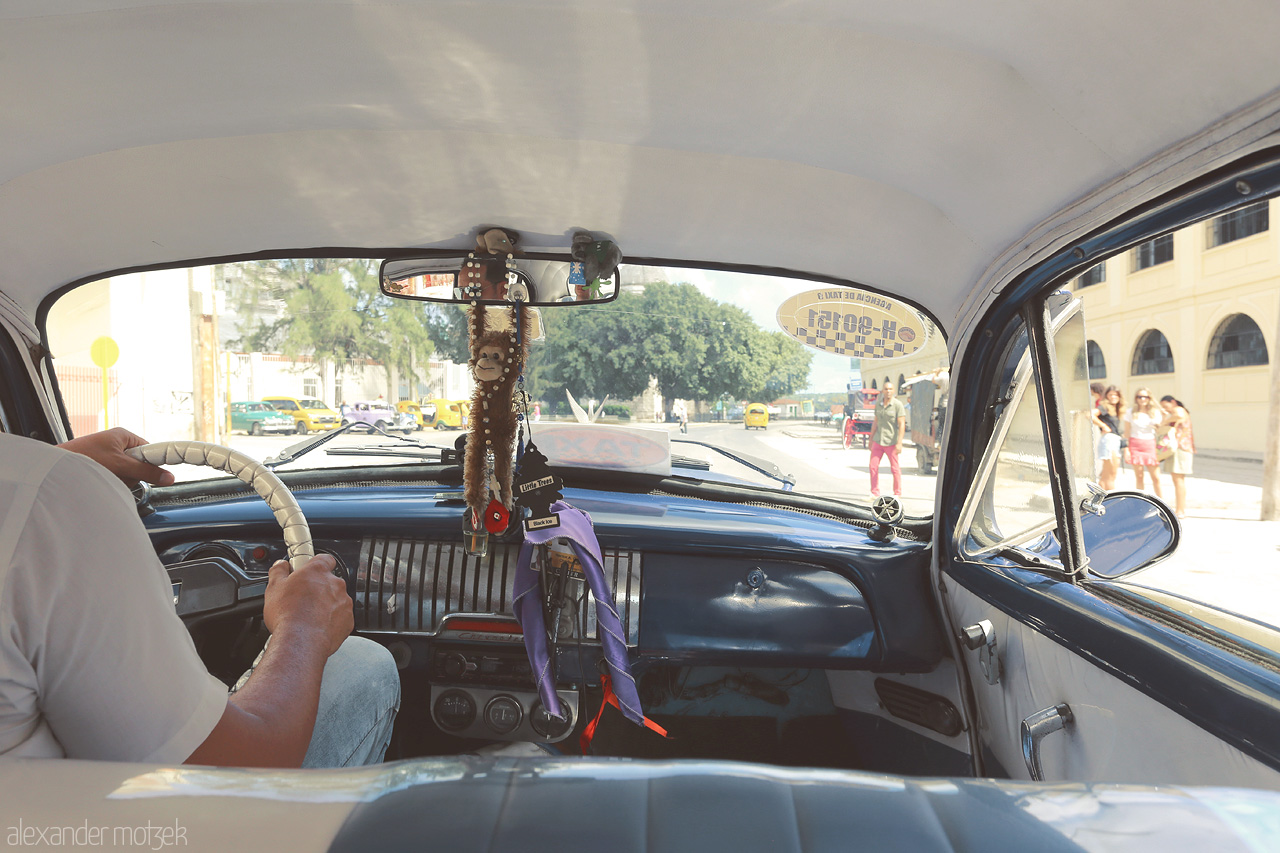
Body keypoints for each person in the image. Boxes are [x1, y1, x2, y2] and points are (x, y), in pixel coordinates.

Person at [0, 427, 399, 767]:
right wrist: (304, 628)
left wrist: (56, 465)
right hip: (136, 828)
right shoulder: (51, 495)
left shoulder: (39, 490)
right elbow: (232, 772)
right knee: (364, 662)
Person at [1159, 395, 1195, 518]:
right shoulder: (1176, 411)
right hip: (1181, 448)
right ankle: (1180, 509)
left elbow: (1179, 416)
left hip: (1180, 448)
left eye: (1166, 406)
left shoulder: (1178, 409)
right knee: (1178, 480)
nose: (1166, 409)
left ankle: (1180, 510)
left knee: (1178, 480)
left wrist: (1165, 419)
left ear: (1173, 402)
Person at [1124, 387, 1163, 498]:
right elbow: (1126, 433)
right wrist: (1126, 450)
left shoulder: (1154, 412)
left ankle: (1162, 503)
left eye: (1145, 396)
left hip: (1150, 444)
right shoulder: (1130, 412)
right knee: (1139, 476)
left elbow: (1160, 429)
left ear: (1149, 398)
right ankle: (1140, 501)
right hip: (1135, 444)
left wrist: (1163, 416)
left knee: (1156, 477)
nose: (1142, 399)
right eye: (1139, 396)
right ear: (1136, 398)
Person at [869, 382, 907, 497]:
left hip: (891, 442)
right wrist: (871, 439)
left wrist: (899, 443)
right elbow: (875, 423)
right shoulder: (878, 405)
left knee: (895, 469)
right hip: (878, 440)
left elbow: (902, 425)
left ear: (894, 390)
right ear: (883, 391)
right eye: (886, 389)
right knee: (873, 466)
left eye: (890, 389)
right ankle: (874, 493)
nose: (888, 391)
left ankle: (897, 493)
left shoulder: (897, 405)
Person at [1093, 386, 1125, 491]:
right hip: (1109, 440)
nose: (1113, 397)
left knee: (1107, 476)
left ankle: (1101, 499)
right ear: (1106, 396)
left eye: (1116, 394)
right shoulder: (1104, 407)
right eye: (1111, 394)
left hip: (1115, 440)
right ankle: (1113, 499)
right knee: (1110, 475)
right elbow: (1091, 415)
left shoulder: (1117, 409)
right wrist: (1104, 426)